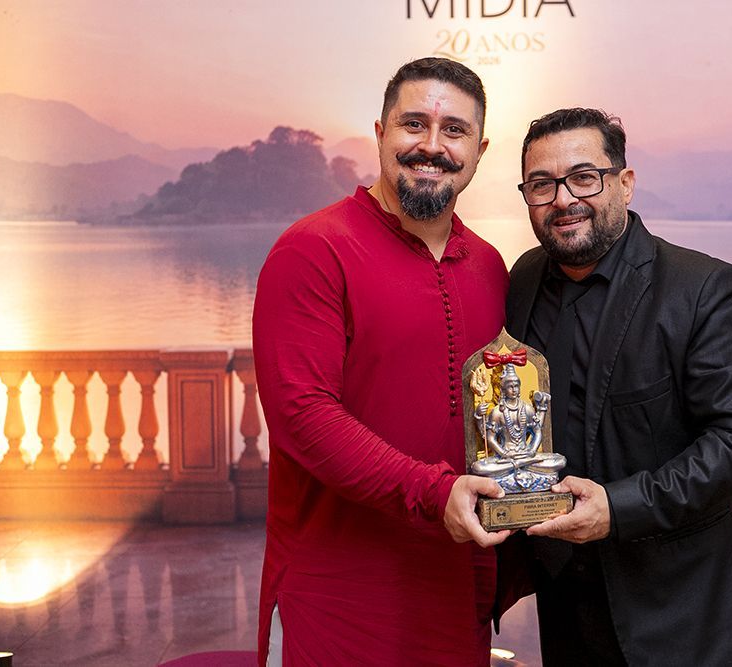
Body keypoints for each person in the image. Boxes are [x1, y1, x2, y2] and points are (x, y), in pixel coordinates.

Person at [252, 58, 512, 667]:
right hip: (338, 596)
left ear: (479, 151)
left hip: (455, 589)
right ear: (379, 133)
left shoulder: (490, 266)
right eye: (413, 124)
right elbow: (302, 417)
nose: (432, 146)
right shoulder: (313, 249)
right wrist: (434, 493)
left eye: (454, 130)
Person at [504, 108, 732, 665]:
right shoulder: (524, 277)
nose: (563, 199)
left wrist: (617, 507)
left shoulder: (706, 288)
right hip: (563, 595)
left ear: (624, 183)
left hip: (674, 604)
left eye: (584, 177)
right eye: (541, 184)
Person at [471, 363, 564, 492]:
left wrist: (532, 450)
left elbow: (537, 432)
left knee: (560, 460)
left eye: (516, 386)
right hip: (506, 457)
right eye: (510, 387)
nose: (514, 390)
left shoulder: (527, 408)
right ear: (503, 389)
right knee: (478, 468)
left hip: (526, 454)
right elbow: (490, 438)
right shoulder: (497, 412)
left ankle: (518, 466)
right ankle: (519, 466)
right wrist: (504, 454)